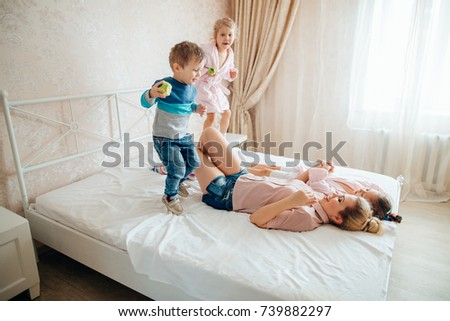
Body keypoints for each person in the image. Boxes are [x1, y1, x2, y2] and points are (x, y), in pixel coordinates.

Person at [194, 127, 382, 233]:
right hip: (242, 177)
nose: (335, 194)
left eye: (339, 199)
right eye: (340, 194)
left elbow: (257, 219)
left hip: (227, 193)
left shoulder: (307, 219)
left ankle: (189, 170)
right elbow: (296, 182)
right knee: (209, 134)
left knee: (193, 151)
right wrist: (315, 169)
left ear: (337, 218)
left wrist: (292, 201)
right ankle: (190, 170)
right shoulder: (321, 199)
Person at [141, 41, 206, 215]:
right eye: (195, 69)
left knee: (193, 163)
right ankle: (169, 196)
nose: (199, 74)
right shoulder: (163, 85)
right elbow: (145, 102)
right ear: (177, 67)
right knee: (176, 167)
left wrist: (196, 108)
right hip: (165, 137)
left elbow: (188, 105)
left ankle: (177, 183)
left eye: (200, 69)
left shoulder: (191, 89)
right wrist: (152, 93)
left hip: (182, 136)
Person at [247, 162, 402, 223]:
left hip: (301, 179)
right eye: (366, 189)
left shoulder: (335, 195)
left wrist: (323, 170)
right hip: (305, 171)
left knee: (266, 172)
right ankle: (242, 166)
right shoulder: (357, 185)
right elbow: (374, 188)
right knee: (269, 167)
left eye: (362, 195)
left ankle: (240, 172)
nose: (361, 190)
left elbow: (316, 182)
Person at [195, 17, 238, 135]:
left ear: (234, 37)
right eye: (222, 34)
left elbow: (227, 71)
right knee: (211, 116)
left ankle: (222, 137)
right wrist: (207, 72)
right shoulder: (206, 51)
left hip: (216, 87)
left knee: (227, 112)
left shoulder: (230, 53)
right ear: (216, 36)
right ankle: (203, 142)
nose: (227, 38)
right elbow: (196, 68)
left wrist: (231, 73)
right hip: (204, 87)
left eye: (230, 35)